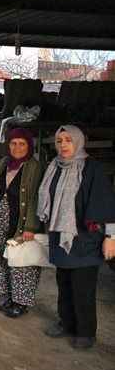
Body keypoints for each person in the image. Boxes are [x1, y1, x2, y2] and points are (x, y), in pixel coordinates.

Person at [39, 125, 115, 349]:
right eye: (59, 140)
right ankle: (67, 323)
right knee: (64, 283)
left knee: (83, 288)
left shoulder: (92, 169)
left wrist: (111, 236)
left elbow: (106, 203)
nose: (63, 145)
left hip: (85, 237)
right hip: (60, 236)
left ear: (79, 142)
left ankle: (86, 332)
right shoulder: (54, 166)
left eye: (68, 140)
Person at [0, 128, 42, 318]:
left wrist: (30, 226)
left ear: (29, 146)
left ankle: (21, 302)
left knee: (21, 261)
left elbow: (35, 198)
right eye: (13, 143)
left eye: (22, 144)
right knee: (1, 257)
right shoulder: (4, 162)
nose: (17, 147)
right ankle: (9, 296)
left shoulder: (34, 166)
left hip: (20, 222)